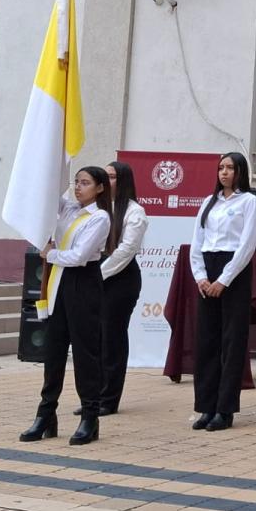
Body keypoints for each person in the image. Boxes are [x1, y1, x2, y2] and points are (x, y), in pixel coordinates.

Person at [20, 166, 112, 446]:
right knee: (53, 352)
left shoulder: (99, 217)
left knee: (85, 354)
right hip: (58, 282)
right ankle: (46, 414)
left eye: (86, 183)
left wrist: (50, 254)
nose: (78, 187)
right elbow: (49, 191)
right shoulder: (69, 209)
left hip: (83, 284)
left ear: (99, 188)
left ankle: (90, 417)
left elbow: (79, 256)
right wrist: (55, 157)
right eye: (77, 182)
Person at [189, 152, 256, 432]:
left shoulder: (249, 202)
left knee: (231, 342)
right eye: (221, 168)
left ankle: (225, 409)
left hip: (233, 272)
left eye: (230, 168)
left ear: (240, 171)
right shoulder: (209, 202)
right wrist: (201, 276)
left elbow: (246, 246)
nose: (224, 172)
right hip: (208, 269)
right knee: (207, 340)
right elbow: (197, 241)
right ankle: (206, 406)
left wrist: (224, 279)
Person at [94, 161, 148, 416]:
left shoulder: (135, 212)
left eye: (112, 176)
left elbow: (126, 251)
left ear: (123, 180)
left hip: (120, 280)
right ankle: (93, 395)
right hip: (96, 277)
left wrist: (98, 274)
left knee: (112, 338)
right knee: (95, 338)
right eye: (104, 176)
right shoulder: (98, 208)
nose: (107, 180)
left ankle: (109, 398)